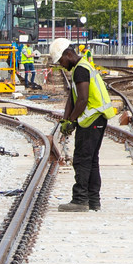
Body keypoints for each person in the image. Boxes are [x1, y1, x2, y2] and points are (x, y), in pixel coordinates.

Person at [51, 37, 122, 212]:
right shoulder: (80, 67)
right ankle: (93, 201)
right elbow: (72, 98)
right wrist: (66, 119)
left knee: (83, 160)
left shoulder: (81, 70)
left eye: (61, 60)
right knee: (91, 160)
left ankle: (80, 200)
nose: (61, 64)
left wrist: (72, 122)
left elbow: (82, 101)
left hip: (92, 119)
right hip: (95, 120)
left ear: (68, 54)